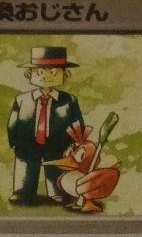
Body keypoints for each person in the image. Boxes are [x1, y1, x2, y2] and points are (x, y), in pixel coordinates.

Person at [6, 46, 84, 205]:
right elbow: (13, 122)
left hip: (58, 144)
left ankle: (58, 192)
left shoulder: (69, 101)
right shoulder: (22, 100)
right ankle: (22, 192)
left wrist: (75, 143)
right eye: (40, 71)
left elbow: (77, 123)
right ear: (29, 74)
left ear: (65, 75)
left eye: (53, 72)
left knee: (56, 166)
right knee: (25, 166)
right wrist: (13, 141)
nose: (45, 76)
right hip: (27, 143)